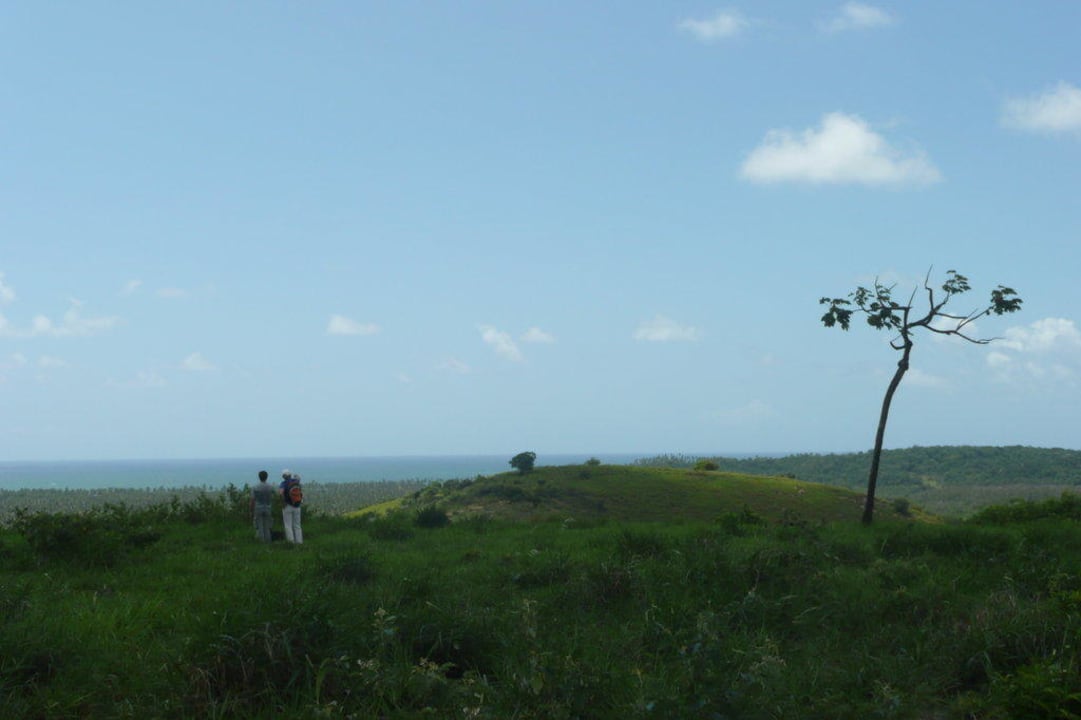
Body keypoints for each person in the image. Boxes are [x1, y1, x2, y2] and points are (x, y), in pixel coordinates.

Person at [279, 469, 303, 544]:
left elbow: (281, 493)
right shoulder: (296, 482)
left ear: (283, 476)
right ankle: (299, 542)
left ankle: (291, 542)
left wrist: (283, 502)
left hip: (288, 506)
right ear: (290, 475)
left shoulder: (283, 483)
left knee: (288, 525)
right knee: (297, 525)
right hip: (297, 505)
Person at [250, 470, 274, 542]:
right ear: (266, 477)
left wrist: (251, 510)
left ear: (259, 477)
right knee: (267, 526)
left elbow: (252, 500)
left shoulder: (255, 487)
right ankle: (268, 540)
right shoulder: (270, 487)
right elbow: (275, 495)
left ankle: (261, 541)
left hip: (258, 508)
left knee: (259, 525)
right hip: (268, 507)